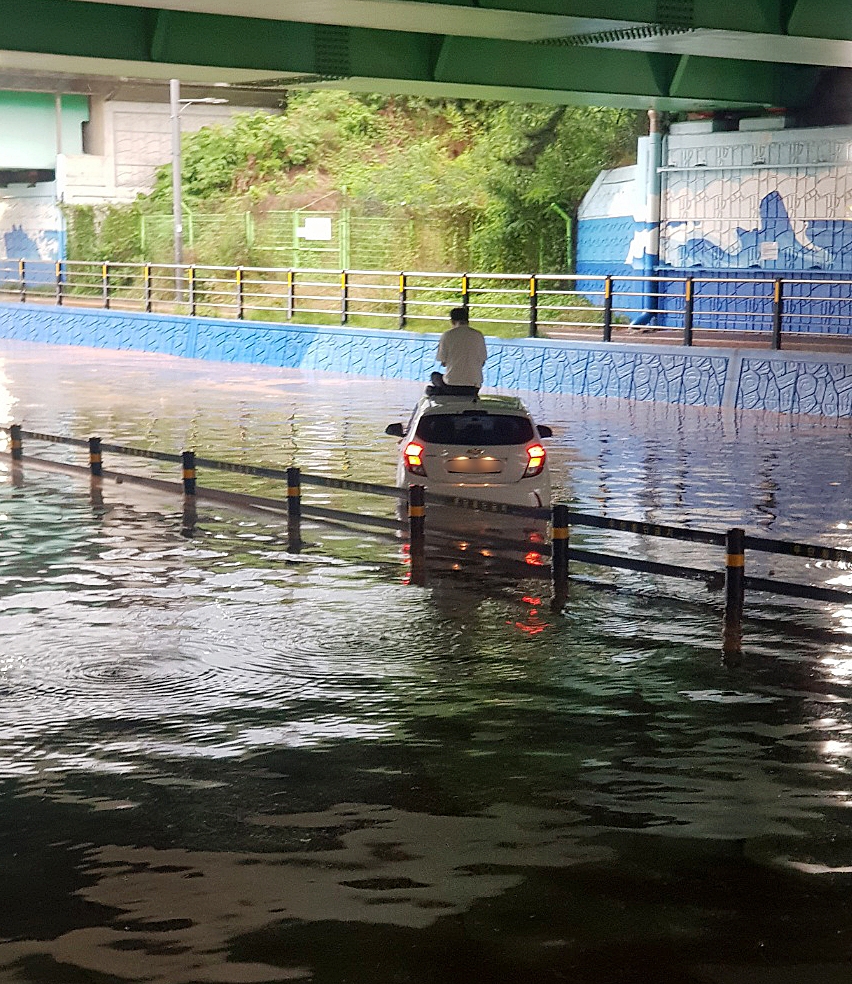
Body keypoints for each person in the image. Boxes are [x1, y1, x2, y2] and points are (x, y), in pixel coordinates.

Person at [428, 307, 487, 396]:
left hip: (451, 386)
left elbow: (444, 363)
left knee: (434, 376)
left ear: (452, 321)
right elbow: (482, 362)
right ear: (467, 320)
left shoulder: (447, 335)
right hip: (473, 388)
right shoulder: (478, 335)